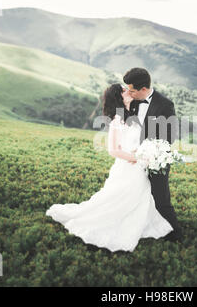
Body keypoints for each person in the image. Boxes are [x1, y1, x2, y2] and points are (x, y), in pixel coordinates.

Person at [45, 84, 173, 252]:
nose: (129, 91)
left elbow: (131, 141)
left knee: (138, 197)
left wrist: (142, 151)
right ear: (119, 97)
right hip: (127, 168)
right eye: (125, 90)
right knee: (119, 200)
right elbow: (113, 150)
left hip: (137, 166)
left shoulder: (130, 115)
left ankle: (135, 222)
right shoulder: (117, 120)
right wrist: (138, 157)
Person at [124, 67, 183, 242]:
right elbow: (126, 126)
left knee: (161, 200)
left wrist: (146, 152)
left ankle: (176, 236)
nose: (128, 93)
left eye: (132, 90)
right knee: (135, 196)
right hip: (133, 160)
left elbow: (169, 137)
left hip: (157, 159)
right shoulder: (132, 101)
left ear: (143, 89)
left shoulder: (165, 105)